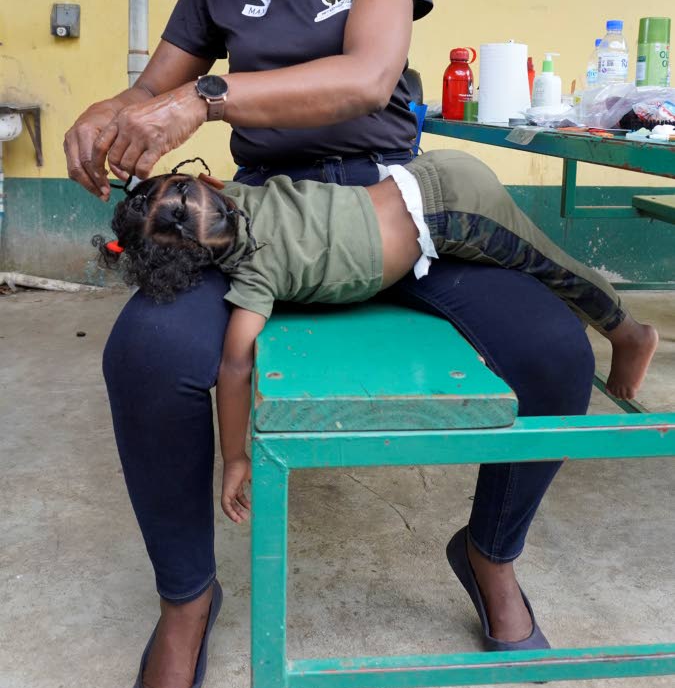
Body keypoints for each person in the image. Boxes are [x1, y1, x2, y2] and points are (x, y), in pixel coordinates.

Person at [64, 0, 609, 688]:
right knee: (145, 355)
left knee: (553, 355)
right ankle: (187, 598)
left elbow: (365, 78)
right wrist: (107, 118)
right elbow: (154, 88)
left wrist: (210, 99)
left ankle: (489, 553)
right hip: (263, 222)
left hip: (394, 215)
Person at [96, 155, 657, 524]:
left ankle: (628, 332)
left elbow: (235, 369)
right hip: (425, 190)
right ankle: (613, 325)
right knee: (540, 268)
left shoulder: (254, 273)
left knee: (550, 267)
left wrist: (236, 456)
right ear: (215, 185)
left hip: (451, 209)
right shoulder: (250, 198)